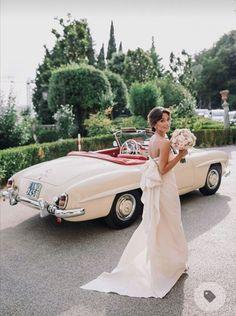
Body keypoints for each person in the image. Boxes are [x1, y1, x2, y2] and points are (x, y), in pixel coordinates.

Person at [80, 107, 188, 298]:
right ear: (154, 123)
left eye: (168, 120)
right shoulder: (163, 142)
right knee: (170, 223)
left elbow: (154, 163)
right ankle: (168, 265)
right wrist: (180, 155)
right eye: (162, 120)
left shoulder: (153, 140)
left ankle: (166, 263)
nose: (166, 123)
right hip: (165, 186)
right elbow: (163, 169)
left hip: (158, 187)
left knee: (160, 224)